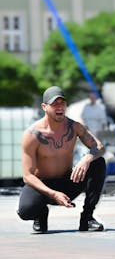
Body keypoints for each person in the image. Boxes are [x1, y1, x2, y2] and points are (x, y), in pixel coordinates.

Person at [17, 86, 107, 233]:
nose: (59, 107)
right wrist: (53, 194)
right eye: (55, 104)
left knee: (98, 163)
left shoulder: (74, 127)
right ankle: (40, 214)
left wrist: (87, 158)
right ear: (44, 107)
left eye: (62, 103)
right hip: (42, 187)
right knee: (26, 211)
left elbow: (99, 147)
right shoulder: (32, 135)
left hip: (67, 182)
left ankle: (87, 218)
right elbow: (27, 176)